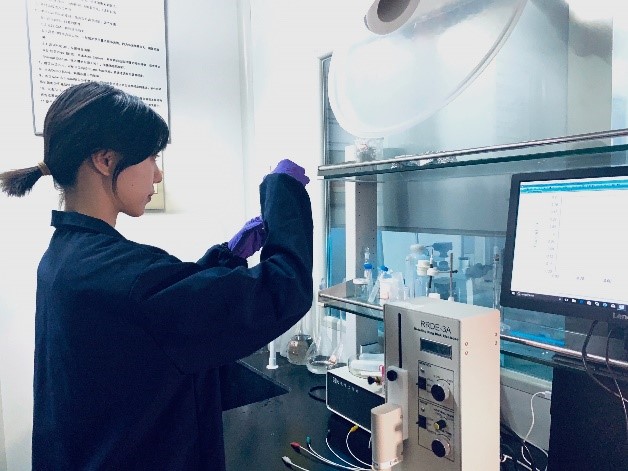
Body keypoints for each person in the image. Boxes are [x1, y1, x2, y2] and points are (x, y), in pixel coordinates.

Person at [0, 81, 313, 470]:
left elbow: (165, 314)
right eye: (151, 157)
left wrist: (227, 257)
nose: (158, 175)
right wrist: (283, 193)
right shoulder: (122, 277)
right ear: (105, 160)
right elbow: (282, 290)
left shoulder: (66, 257)